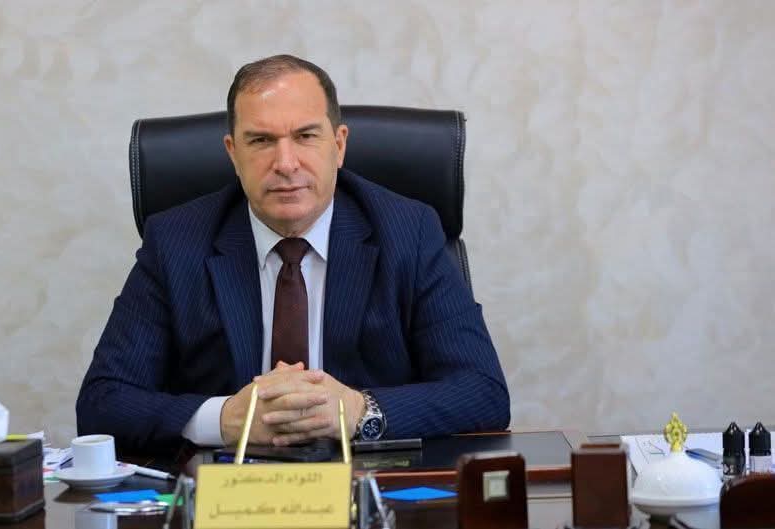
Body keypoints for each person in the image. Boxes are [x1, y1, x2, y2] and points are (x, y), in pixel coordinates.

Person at [77, 55, 509, 454]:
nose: (285, 163)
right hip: (228, 491)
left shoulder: (408, 232)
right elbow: (102, 401)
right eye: (261, 140)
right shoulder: (176, 242)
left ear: (339, 144)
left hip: (370, 485)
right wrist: (225, 419)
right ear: (233, 153)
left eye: (305, 136)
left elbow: (482, 391)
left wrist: (358, 411)